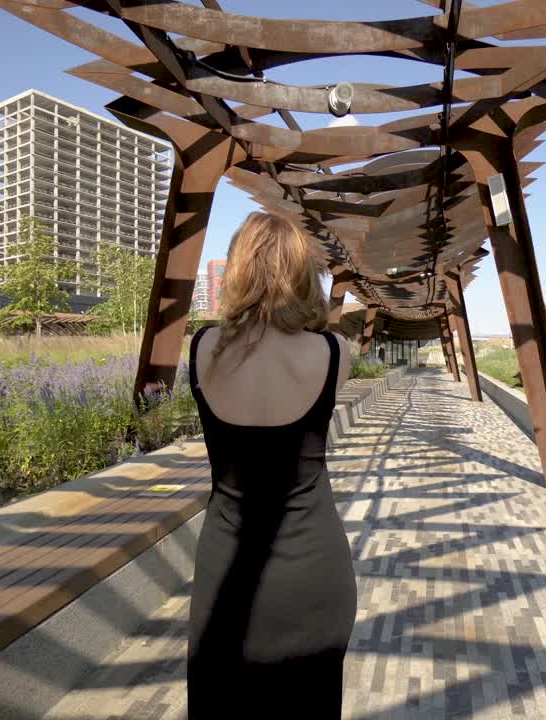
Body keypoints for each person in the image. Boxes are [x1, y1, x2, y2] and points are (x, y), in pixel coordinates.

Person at [186, 211, 356, 717]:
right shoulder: (332, 353)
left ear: (237, 271)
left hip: (224, 572)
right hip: (315, 574)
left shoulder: (203, 350)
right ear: (304, 276)